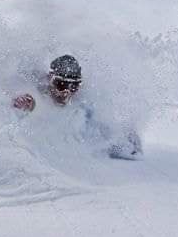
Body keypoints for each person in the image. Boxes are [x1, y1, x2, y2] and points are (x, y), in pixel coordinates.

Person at [12, 55, 143, 160]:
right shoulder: (33, 87)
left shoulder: (84, 107)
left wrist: (128, 139)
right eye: (61, 84)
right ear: (49, 78)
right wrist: (22, 107)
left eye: (74, 86)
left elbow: (110, 140)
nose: (66, 92)